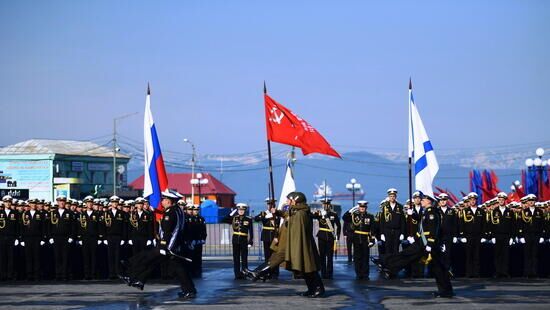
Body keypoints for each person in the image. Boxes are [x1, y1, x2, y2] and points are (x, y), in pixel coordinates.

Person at [374, 192, 454, 298]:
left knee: (437, 268)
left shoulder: (432, 213)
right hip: (423, 242)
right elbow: (422, 224)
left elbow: (433, 230)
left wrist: (429, 244)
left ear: (429, 201)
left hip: (428, 244)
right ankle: (386, 263)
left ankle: (385, 262)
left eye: (423, 200)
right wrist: (413, 216)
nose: (421, 201)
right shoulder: (427, 212)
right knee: (409, 256)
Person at [121, 190, 197, 300]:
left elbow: (167, 231)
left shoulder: (170, 213)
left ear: (169, 201)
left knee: (147, 257)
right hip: (174, 245)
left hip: (168, 246)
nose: (162, 202)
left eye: (164, 200)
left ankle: (130, 270)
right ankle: (139, 280)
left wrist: (163, 245)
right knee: (172, 266)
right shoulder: (179, 211)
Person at [342, 200, 375, 280]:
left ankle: (365, 274)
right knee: (357, 257)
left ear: (366, 207)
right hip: (356, 238)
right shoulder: (354, 215)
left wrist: (372, 240)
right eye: (361, 207)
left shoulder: (370, 216)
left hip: (365, 238)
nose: (362, 208)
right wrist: (350, 211)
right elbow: (344, 218)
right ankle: (358, 273)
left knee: (365, 257)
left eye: (363, 207)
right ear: (359, 207)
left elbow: (372, 229)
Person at [312, 197, 341, 279]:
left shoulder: (333, 214)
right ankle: (323, 273)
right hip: (321, 237)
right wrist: (317, 213)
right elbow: (311, 216)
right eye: (324, 204)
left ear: (329, 205)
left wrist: (337, 237)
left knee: (330, 256)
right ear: (322, 205)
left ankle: (329, 273)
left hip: (330, 237)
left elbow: (339, 226)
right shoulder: (319, 214)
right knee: (322, 256)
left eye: (327, 204)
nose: (326, 206)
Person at [223, 203, 254, 279]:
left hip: (244, 239)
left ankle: (244, 272)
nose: (241, 211)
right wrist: (231, 213)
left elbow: (251, 231)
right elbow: (224, 219)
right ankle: (237, 274)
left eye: (242, 210)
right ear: (237, 210)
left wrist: (250, 241)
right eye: (239, 210)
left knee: (244, 257)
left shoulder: (248, 219)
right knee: (236, 257)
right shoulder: (234, 218)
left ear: (245, 210)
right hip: (236, 239)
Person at [254, 198, 280, 279]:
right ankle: (267, 272)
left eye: (271, 204)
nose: (270, 205)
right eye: (269, 204)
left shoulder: (278, 212)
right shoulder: (263, 213)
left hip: (274, 236)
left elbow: (280, 222)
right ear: (267, 205)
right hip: (266, 236)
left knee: (275, 255)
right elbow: (256, 219)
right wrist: (266, 216)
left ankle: (275, 272)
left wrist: (274, 215)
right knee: (267, 255)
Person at [379, 188, 406, 256]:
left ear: (396, 197)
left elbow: (402, 221)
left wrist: (402, 233)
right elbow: (382, 221)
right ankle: (388, 265)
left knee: (396, 249)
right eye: (390, 196)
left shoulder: (400, 207)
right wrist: (382, 233)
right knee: (387, 249)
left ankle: (395, 265)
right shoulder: (384, 207)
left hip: (397, 231)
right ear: (388, 197)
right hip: (387, 231)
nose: (392, 198)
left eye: (393, 196)